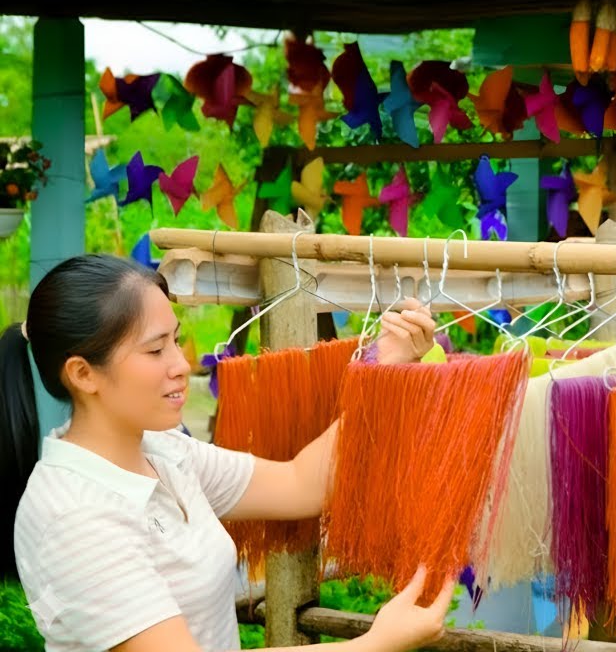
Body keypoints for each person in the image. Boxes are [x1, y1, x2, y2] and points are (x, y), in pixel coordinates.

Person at [2, 254, 453, 652]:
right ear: (83, 374)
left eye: (175, 341)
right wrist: (376, 643)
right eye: (156, 349)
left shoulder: (166, 453)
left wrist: (386, 363)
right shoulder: (73, 516)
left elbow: (300, 483)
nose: (181, 364)